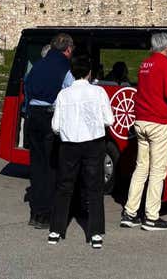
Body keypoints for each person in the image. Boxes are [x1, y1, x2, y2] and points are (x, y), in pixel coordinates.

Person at [120, 32, 167, 231]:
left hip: (141, 120)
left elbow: (156, 82)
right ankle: (151, 216)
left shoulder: (145, 64)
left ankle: (130, 212)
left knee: (141, 168)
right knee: (158, 170)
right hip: (159, 122)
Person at [47, 53, 114, 249]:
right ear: (90, 72)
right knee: (94, 188)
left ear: (72, 72)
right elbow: (109, 120)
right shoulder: (99, 92)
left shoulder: (63, 94)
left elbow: (56, 126)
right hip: (94, 143)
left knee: (64, 187)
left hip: (69, 145)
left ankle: (56, 230)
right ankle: (95, 234)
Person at [24, 33, 75, 229]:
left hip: (33, 115)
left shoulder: (39, 64)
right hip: (48, 115)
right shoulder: (63, 66)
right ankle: (46, 214)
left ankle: (35, 213)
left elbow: (28, 85)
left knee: (36, 167)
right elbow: (71, 90)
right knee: (51, 166)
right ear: (68, 49)